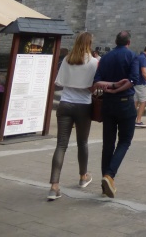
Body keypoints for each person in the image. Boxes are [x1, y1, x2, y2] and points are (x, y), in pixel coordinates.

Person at [47, 32, 98, 201]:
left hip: (65, 103)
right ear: (90, 44)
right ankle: (83, 176)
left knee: (61, 145)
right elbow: (93, 87)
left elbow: (58, 83)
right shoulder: (93, 62)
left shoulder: (67, 60)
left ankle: (54, 186)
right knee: (82, 142)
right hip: (83, 105)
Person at [92, 30, 140, 199]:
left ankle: (105, 181)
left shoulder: (105, 58)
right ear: (129, 42)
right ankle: (109, 175)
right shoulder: (132, 56)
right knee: (125, 141)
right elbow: (132, 80)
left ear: (116, 41)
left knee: (108, 144)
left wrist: (111, 88)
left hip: (108, 105)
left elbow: (96, 82)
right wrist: (118, 88)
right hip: (125, 104)